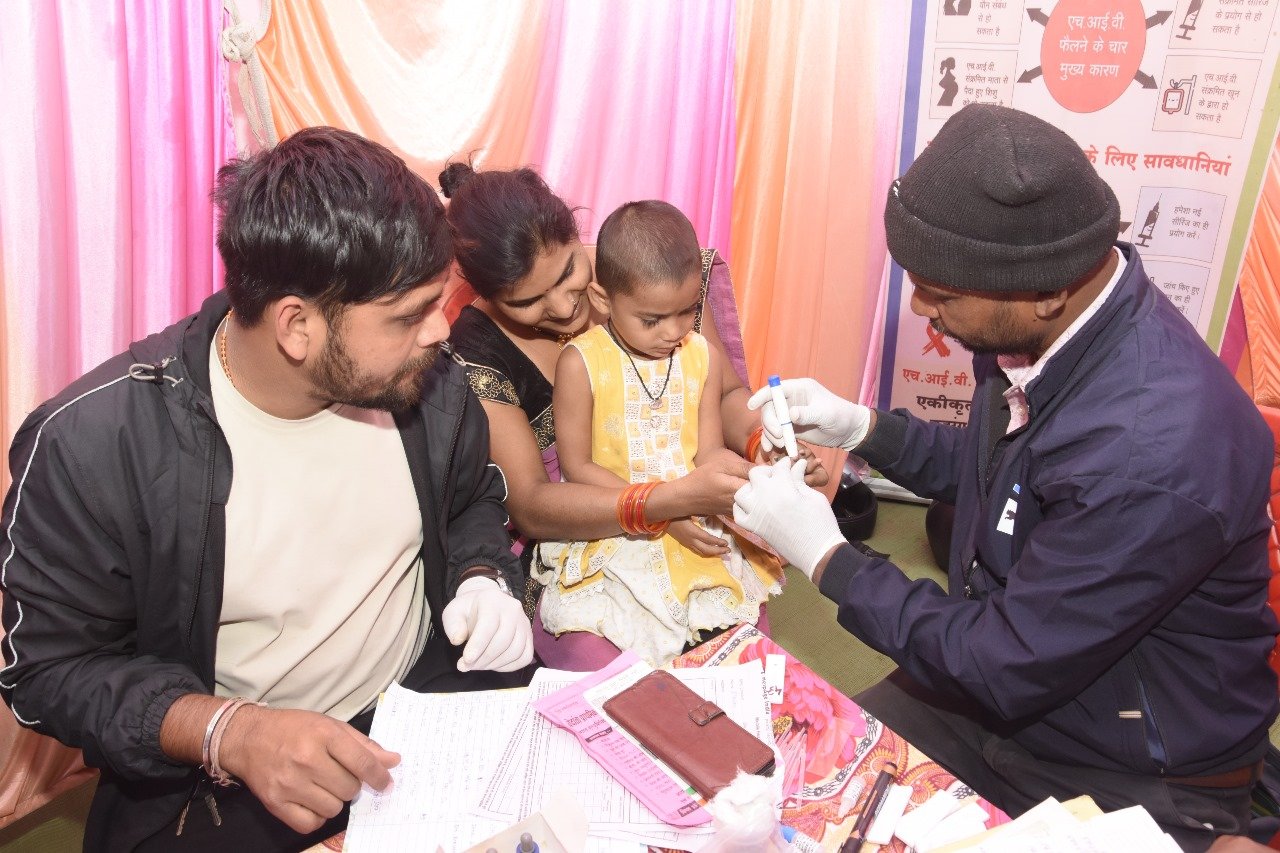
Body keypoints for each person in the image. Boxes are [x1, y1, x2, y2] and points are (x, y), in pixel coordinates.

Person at [731, 104, 1278, 851]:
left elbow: (1002, 661)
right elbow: (1005, 471)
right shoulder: (1044, 328)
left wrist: (828, 557)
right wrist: (863, 428)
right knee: (782, 795)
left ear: (1044, 289)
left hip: (1134, 766)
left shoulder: (1151, 450)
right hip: (1013, 691)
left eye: (941, 292)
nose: (922, 307)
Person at [0, 127, 534, 851]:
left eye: (438, 302)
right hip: (228, 781)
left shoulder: (426, 382)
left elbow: (470, 497)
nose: (440, 331)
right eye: (409, 314)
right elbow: (51, 671)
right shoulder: (94, 446)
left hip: (427, 712)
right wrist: (231, 731)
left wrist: (480, 574)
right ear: (296, 325)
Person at [441, 164, 824, 669]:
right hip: (580, 526)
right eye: (527, 301)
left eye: (568, 272)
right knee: (616, 673)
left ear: (576, 238)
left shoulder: (651, 276)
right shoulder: (479, 350)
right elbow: (532, 504)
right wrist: (663, 505)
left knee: (736, 654)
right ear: (488, 297)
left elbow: (725, 394)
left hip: (690, 501)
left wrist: (763, 443)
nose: (564, 306)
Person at [535, 201, 784, 665]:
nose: (673, 331)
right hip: (616, 520)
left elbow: (708, 452)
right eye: (651, 320)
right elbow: (577, 467)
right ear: (603, 300)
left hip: (695, 511)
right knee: (609, 642)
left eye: (687, 311)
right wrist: (663, 513)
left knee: (739, 642)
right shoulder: (581, 363)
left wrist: (757, 470)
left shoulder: (701, 355)